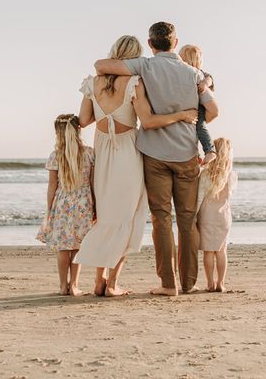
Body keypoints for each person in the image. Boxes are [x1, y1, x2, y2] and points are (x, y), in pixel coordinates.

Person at [94, 21, 218, 296]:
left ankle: (168, 284)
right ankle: (188, 283)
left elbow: (100, 65)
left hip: (154, 154)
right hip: (186, 153)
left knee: (161, 219)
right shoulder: (193, 73)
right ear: (175, 43)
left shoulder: (144, 66)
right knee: (187, 220)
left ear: (150, 44)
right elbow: (213, 110)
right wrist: (191, 120)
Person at [75, 35, 197, 297]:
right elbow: (149, 121)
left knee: (106, 216)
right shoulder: (133, 83)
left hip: (103, 152)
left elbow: (84, 120)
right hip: (128, 152)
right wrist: (182, 115)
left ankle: (99, 280)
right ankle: (112, 284)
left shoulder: (92, 83)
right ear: (133, 58)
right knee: (128, 217)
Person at [36, 113, 95, 296]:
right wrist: (96, 206)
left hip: (62, 203)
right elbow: (93, 183)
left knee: (63, 247)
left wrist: (49, 209)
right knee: (77, 246)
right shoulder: (89, 153)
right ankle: (74, 286)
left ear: (58, 133)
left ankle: (63, 286)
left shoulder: (56, 156)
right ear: (78, 130)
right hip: (84, 202)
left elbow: (52, 185)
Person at [197, 137, 237, 292]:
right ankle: (221, 283)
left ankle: (210, 284)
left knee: (208, 251)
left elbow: (199, 198)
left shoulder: (205, 174)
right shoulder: (231, 176)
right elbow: (231, 194)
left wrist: (194, 215)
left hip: (207, 216)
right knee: (222, 250)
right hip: (224, 216)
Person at [178, 44, 216, 164]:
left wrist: (205, 83)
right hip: (188, 107)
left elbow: (210, 78)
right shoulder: (180, 73)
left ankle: (210, 151)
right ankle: (198, 155)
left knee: (200, 127)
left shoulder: (200, 73)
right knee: (193, 133)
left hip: (199, 107)